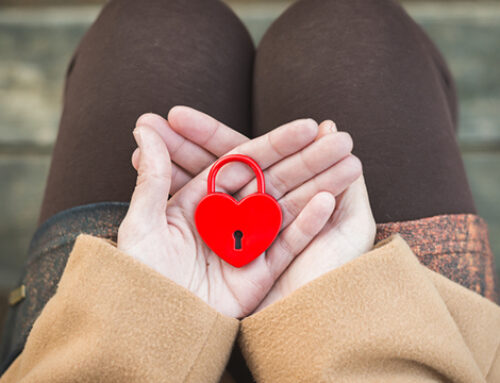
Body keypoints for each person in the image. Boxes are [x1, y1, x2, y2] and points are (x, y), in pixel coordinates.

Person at [1, 0, 499, 381]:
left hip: (106, 336)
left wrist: (148, 311)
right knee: (353, 25)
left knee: (154, 21)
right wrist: (337, 314)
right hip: (402, 344)